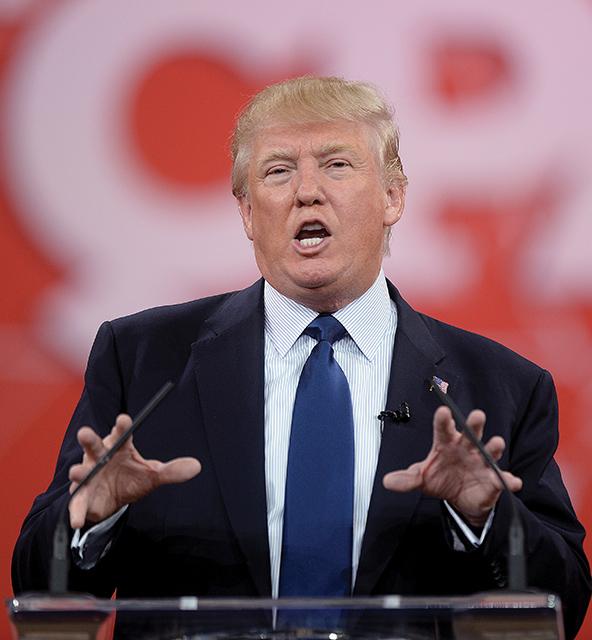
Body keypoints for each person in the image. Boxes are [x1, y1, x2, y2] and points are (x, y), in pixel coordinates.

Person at [12, 76, 591, 639]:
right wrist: (90, 518)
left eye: (337, 165)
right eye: (278, 170)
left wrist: (489, 516)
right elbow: (38, 581)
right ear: (246, 211)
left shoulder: (499, 385)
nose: (306, 191)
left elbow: (563, 601)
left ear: (393, 197)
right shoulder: (144, 362)